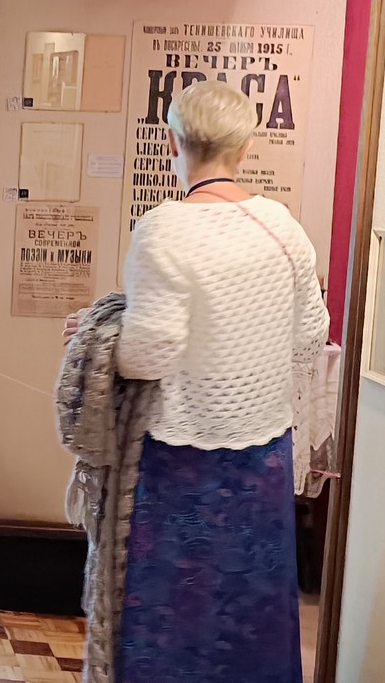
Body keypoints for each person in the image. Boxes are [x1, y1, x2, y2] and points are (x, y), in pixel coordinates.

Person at [72, 79, 326, 682]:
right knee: (252, 617)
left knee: (173, 620)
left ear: (172, 142)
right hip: (263, 455)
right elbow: (311, 333)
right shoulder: (282, 227)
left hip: (179, 459)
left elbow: (149, 352)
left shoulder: (165, 229)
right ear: (246, 146)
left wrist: (97, 336)